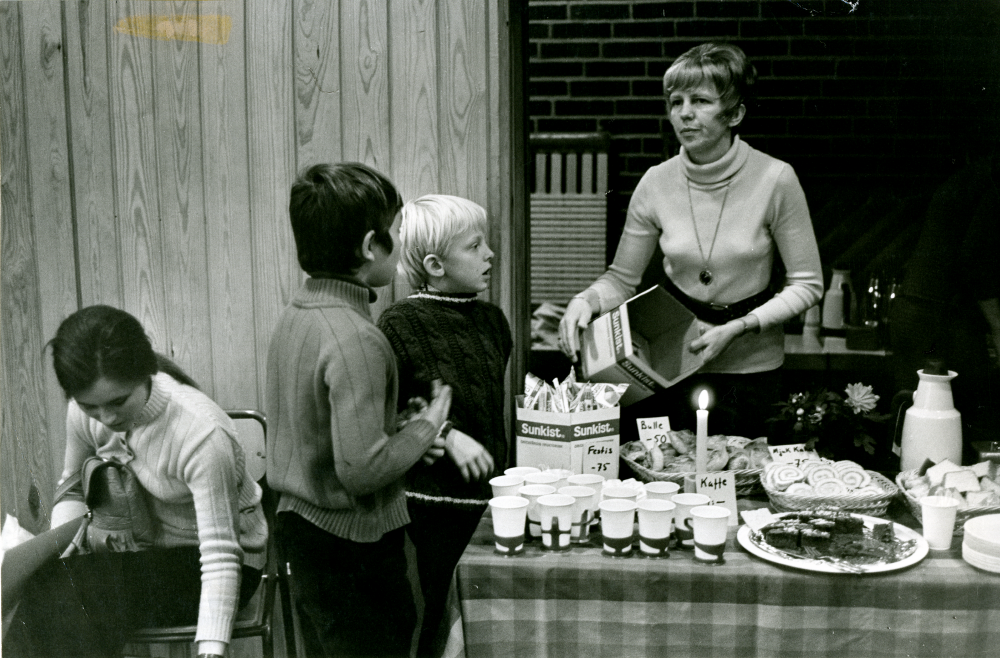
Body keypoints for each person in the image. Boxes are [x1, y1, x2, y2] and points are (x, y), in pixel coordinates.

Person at [558, 42, 823, 441]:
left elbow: (808, 283)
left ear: (735, 113)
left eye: (700, 100)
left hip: (750, 373)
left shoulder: (776, 179)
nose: (684, 113)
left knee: (740, 485)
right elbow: (620, 280)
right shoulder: (655, 182)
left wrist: (741, 326)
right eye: (675, 101)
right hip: (670, 367)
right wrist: (585, 301)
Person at [3, 304, 267, 658]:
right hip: (146, 553)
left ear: (146, 373)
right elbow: (72, 485)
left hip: (220, 565)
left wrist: (210, 652)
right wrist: (65, 557)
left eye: (118, 401)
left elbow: (221, 557)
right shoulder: (85, 412)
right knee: (49, 585)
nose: (105, 417)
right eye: (90, 407)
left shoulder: (202, 433)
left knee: (78, 596)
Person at [265, 163, 453, 658]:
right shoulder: (356, 338)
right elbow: (362, 470)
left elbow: (319, 430)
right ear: (371, 246)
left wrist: (395, 428)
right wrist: (425, 428)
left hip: (302, 535)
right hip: (352, 549)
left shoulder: (297, 315)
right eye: (391, 232)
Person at [377, 194, 512, 658]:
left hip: (492, 499)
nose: (490, 254)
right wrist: (445, 434)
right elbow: (392, 409)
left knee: (488, 615)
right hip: (433, 504)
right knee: (441, 615)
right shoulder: (400, 322)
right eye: (475, 246)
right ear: (435, 264)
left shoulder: (494, 321)